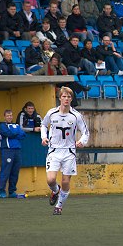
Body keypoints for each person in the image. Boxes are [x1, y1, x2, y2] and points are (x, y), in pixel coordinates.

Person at [41, 87, 90, 215]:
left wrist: (82, 141)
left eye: (68, 97)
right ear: (60, 98)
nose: (66, 99)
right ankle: (55, 190)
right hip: (54, 150)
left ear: (71, 99)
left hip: (69, 152)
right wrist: (44, 137)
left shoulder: (76, 116)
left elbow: (85, 132)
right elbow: (43, 125)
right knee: (51, 180)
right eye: (64, 96)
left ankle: (59, 206)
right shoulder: (52, 113)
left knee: (65, 181)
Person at [0, 109, 27, 198]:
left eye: (11, 115)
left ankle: (12, 191)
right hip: (7, 150)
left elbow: (23, 135)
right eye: (7, 115)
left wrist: (14, 133)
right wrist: (15, 133)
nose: (9, 117)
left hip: (17, 150)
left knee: (15, 171)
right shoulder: (2, 125)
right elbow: (7, 133)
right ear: (4, 117)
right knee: (5, 171)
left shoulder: (16, 125)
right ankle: (1, 191)